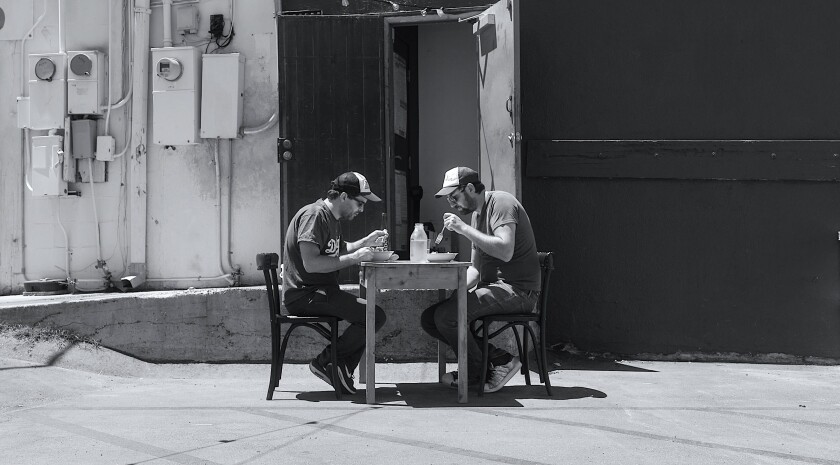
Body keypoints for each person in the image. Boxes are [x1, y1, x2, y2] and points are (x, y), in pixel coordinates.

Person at [421, 167, 541, 393]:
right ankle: (497, 360)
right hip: (494, 289)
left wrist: (464, 229)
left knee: (447, 317)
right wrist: (453, 287)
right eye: (448, 199)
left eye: (454, 197)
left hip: (519, 291)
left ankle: (476, 373)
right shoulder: (477, 216)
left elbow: (505, 250)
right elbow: (475, 270)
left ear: (469, 188)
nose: (452, 204)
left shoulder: (501, 203)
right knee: (430, 318)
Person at [282, 171, 391, 395]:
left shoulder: (331, 218)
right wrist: (356, 257)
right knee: (372, 315)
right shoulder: (315, 215)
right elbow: (311, 263)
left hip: (321, 292)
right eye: (359, 203)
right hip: (306, 295)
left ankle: (337, 367)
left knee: (372, 313)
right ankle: (326, 362)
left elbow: (338, 250)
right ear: (342, 196)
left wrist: (365, 242)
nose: (362, 209)